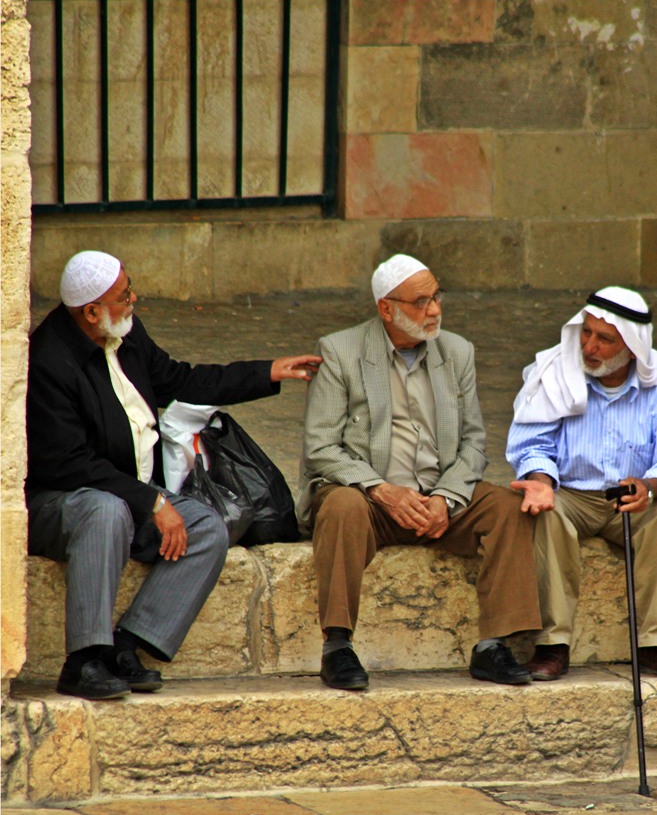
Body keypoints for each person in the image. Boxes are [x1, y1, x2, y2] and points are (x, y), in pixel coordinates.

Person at [26, 250, 322, 700]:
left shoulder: (124, 333)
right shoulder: (48, 361)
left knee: (206, 524)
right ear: (91, 311)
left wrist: (265, 372)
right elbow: (70, 465)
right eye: (125, 296)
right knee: (105, 511)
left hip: (132, 495)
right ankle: (84, 659)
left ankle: (128, 646)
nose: (134, 300)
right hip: (65, 502)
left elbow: (178, 380)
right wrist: (153, 503)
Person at [298, 253, 542, 690]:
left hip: (436, 496)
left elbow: (473, 442)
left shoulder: (457, 352)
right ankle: (337, 646)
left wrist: (446, 499)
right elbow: (321, 448)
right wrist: (382, 490)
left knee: (509, 509)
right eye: (420, 302)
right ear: (386, 308)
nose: (434, 311)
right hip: (372, 499)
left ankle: (493, 646)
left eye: (436, 298)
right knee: (340, 507)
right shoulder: (341, 351)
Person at [507, 287, 657, 681]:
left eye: (604, 339)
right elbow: (533, 445)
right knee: (544, 512)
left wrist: (649, 487)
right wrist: (542, 482)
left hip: (634, 500)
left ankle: (656, 645)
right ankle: (552, 645)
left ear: (631, 347)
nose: (590, 346)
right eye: (586, 333)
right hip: (570, 493)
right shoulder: (554, 372)